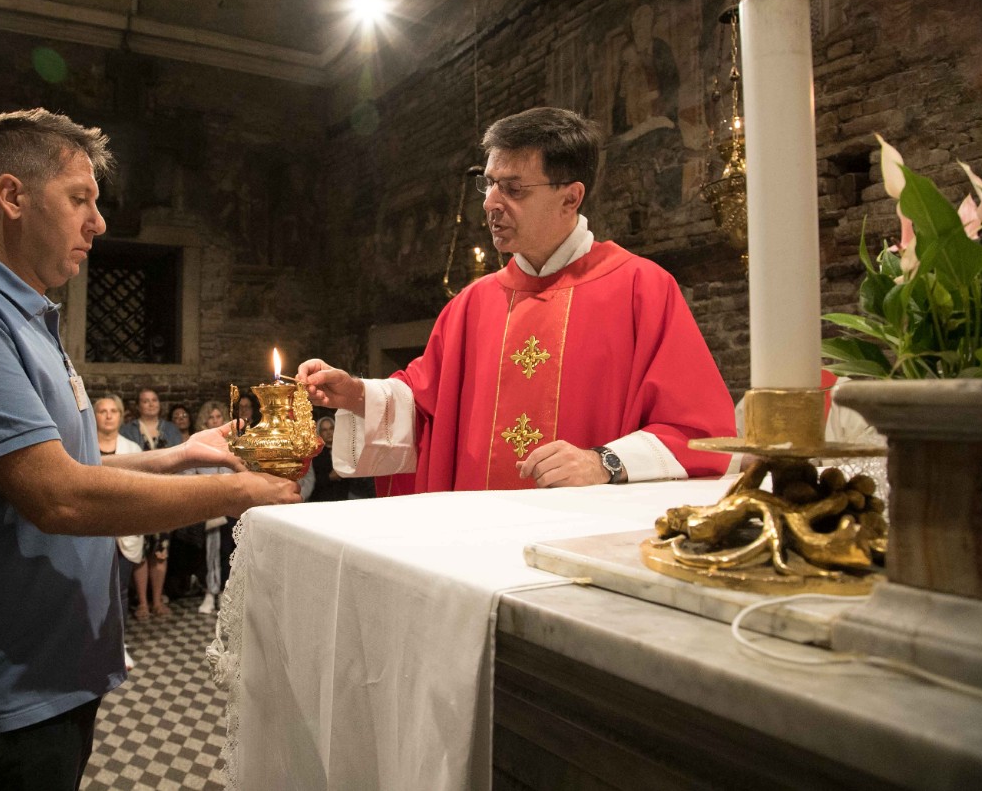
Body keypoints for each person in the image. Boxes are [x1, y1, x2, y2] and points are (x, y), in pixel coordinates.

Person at [0, 108, 298, 791]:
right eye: (80, 199)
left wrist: (177, 455)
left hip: (46, 682)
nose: (98, 223)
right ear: (12, 196)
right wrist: (243, 490)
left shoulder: (30, 320)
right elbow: (58, 496)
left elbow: (65, 468)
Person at [298, 107, 734, 494]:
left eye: (513, 189)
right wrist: (357, 394)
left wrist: (604, 461)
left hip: (584, 543)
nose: (490, 204)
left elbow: (699, 431)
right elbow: (429, 412)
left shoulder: (642, 288)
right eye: (488, 185)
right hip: (477, 542)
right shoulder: (470, 305)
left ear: (571, 197)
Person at [119, 388, 182, 617]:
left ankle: (157, 601)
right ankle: (143, 603)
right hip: (138, 497)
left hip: (165, 497)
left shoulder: (171, 429)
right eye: (145, 401)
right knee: (140, 550)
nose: (150, 404)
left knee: (160, 550)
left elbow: (180, 458)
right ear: (138, 405)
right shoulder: (128, 430)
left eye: (154, 400)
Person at [93, 394, 143, 670]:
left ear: (121, 416)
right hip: (94, 528)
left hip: (124, 529)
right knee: (93, 588)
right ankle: (93, 641)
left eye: (114, 411)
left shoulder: (132, 448)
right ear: (95, 416)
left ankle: (118, 645)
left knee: (120, 590)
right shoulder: (84, 446)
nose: (108, 415)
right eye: (102, 411)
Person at [191, 401, 235, 615]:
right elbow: (190, 475)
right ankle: (210, 591)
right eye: (211, 417)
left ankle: (225, 595)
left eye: (219, 416)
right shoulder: (197, 445)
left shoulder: (233, 444)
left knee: (228, 551)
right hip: (207, 505)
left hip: (231, 506)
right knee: (208, 552)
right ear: (204, 421)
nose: (216, 420)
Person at [307, 415, 350, 502]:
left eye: (331, 428)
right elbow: (311, 480)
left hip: (345, 498)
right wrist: (329, 477)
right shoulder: (314, 454)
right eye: (324, 430)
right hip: (322, 499)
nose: (329, 432)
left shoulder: (345, 450)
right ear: (319, 433)